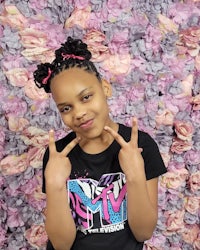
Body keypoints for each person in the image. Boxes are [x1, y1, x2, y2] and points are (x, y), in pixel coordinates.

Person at [33, 36, 167, 250]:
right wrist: (56, 186)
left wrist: (134, 174)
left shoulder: (141, 145)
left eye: (86, 97)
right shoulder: (57, 155)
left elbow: (143, 232)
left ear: (105, 88)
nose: (79, 113)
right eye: (66, 108)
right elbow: (61, 245)